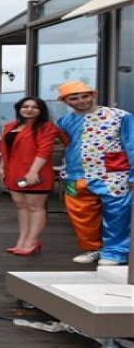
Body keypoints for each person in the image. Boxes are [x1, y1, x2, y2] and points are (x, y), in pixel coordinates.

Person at [57, 81, 134, 266]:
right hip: (75, 176)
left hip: (114, 174)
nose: (81, 101)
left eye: (85, 96)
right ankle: (93, 249)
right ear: (66, 101)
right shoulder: (63, 122)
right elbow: (68, 147)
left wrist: (133, 174)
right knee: (80, 214)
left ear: (93, 95)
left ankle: (116, 252)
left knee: (117, 215)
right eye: (74, 98)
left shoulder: (120, 116)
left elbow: (131, 144)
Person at [0, 97, 58, 256]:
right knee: (20, 205)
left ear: (41, 110)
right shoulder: (11, 126)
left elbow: (44, 150)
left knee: (34, 206)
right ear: (19, 108)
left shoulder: (45, 127)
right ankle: (22, 240)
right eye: (25, 106)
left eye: (34, 107)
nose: (29, 109)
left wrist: (33, 171)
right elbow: (5, 148)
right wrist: (2, 165)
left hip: (35, 173)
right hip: (14, 172)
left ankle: (32, 241)